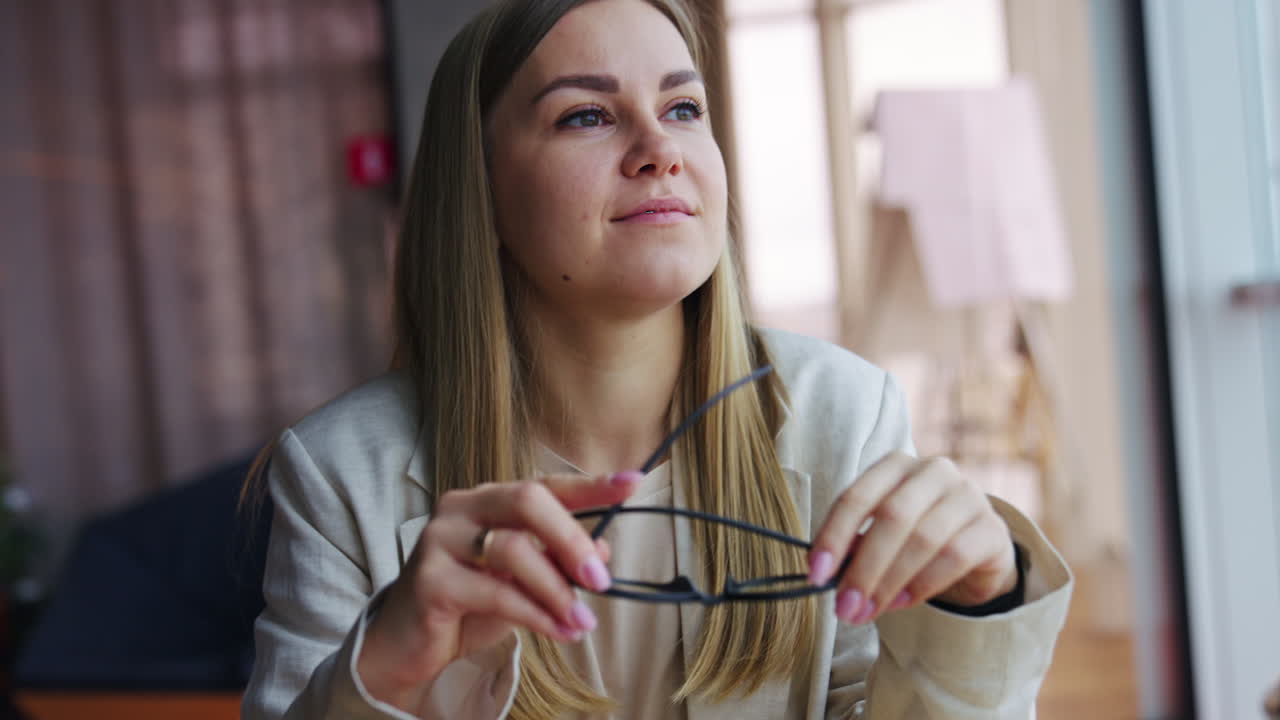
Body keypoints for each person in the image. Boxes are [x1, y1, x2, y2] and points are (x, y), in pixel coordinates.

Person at [241, 0, 1073, 718]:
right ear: (482, 193)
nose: (660, 149)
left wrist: (980, 609)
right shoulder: (336, 475)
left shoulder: (846, 415)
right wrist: (380, 676)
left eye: (683, 109)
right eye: (586, 116)